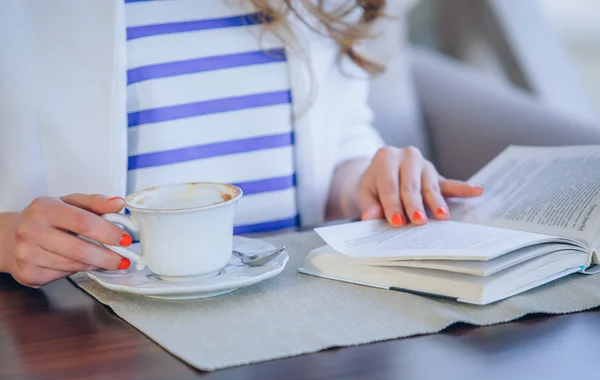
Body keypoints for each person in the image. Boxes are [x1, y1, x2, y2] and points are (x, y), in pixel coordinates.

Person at [0, 0, 483, 288]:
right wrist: (7, 240)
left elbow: (340, 147)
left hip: (292, 307)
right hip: (96, 332)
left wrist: (370, 181)